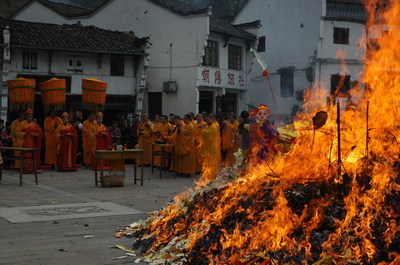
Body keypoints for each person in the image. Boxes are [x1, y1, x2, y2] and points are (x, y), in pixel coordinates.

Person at [22, 108, 43, 173]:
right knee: (26, 155)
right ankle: (26, 168)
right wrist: (24, 134)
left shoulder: (35, 125)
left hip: (33, 143)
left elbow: (40, 134)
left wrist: (36, 135)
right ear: (26, 117)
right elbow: (17, 132)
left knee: (33, 155)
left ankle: (33, 168)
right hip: (25, 143)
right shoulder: (22, 124)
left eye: (31, 116)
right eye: (28, 116)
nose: (30, 118)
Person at [200, 114, 221, 179]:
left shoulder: (213, 127)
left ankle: (213, 174)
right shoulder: (209, 126)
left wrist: (202, 129)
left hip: (212, 147)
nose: (207, 121)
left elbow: (206, 135)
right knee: (208, 160)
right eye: (206, 120)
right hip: (208, 147)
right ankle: (209, 174)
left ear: (212, 119)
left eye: (208, 120)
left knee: (212, 161)